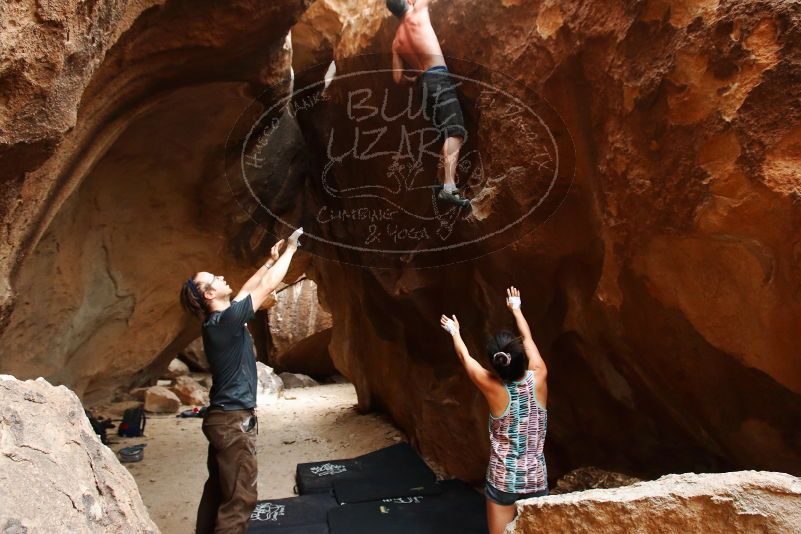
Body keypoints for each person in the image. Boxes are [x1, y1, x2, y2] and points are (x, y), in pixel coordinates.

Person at [179, 228, 303, 534]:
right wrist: (290, 251)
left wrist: (268, 261)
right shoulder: (226, 322)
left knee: (219, 490)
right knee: (240, 499)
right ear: (208, 294)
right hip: (233, 423)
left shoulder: (221, 321)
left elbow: (248, 291)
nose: (222, 278)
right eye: (214, 280)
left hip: (222, 420)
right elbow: (267, 287)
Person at [440, 286, 548, 534]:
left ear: (496, 364)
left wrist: (455, 332)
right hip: (535, 479)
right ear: (522, 357)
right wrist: (516, 309)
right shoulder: (540, 376)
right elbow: (529, 340)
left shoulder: (492, 387)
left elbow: (465, 357)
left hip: (503, 480)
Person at [386, 0, 470, 208]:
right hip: (438, 77)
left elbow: (397, 78)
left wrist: (413, 79)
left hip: (422, 86)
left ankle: (439, 183)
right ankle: (448, 188)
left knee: (443, 134)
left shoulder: (396, 41)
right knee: (455, 131)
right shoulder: (418, 11)